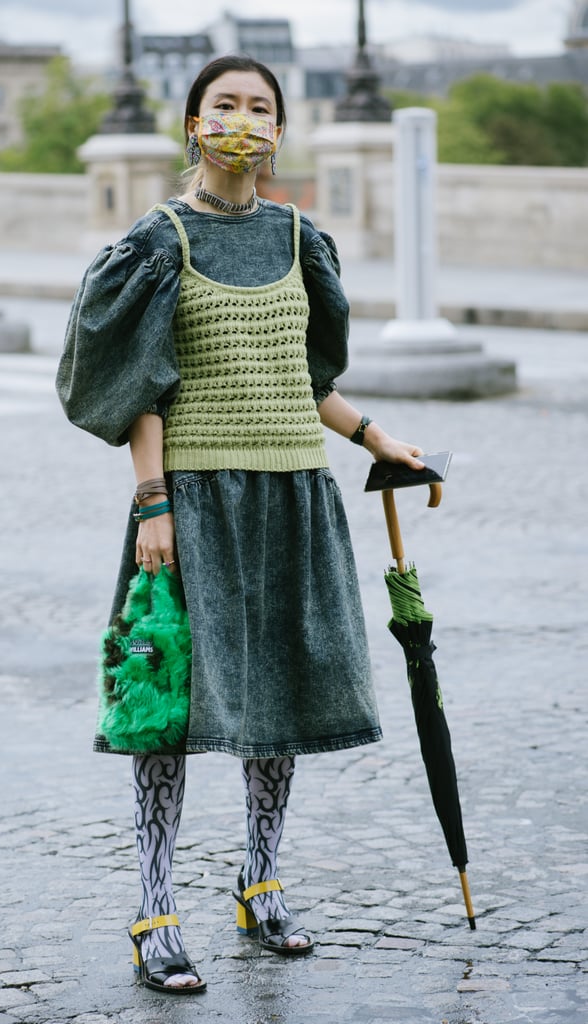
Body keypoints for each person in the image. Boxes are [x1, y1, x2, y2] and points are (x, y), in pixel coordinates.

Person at [57, 55, 425, 995]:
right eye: (225, 105)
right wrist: (152, 502)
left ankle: (260, 884)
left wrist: (384, 440)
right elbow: (139, 383)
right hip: (195, 502)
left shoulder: (304, 237)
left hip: (294, 496)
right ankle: (155, 910)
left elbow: (310, 384)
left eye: (261, 108)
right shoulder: (158, 239)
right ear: (192, 124)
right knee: (168, 711)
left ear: (281, 131)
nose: (242, 121)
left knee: (279, 709)